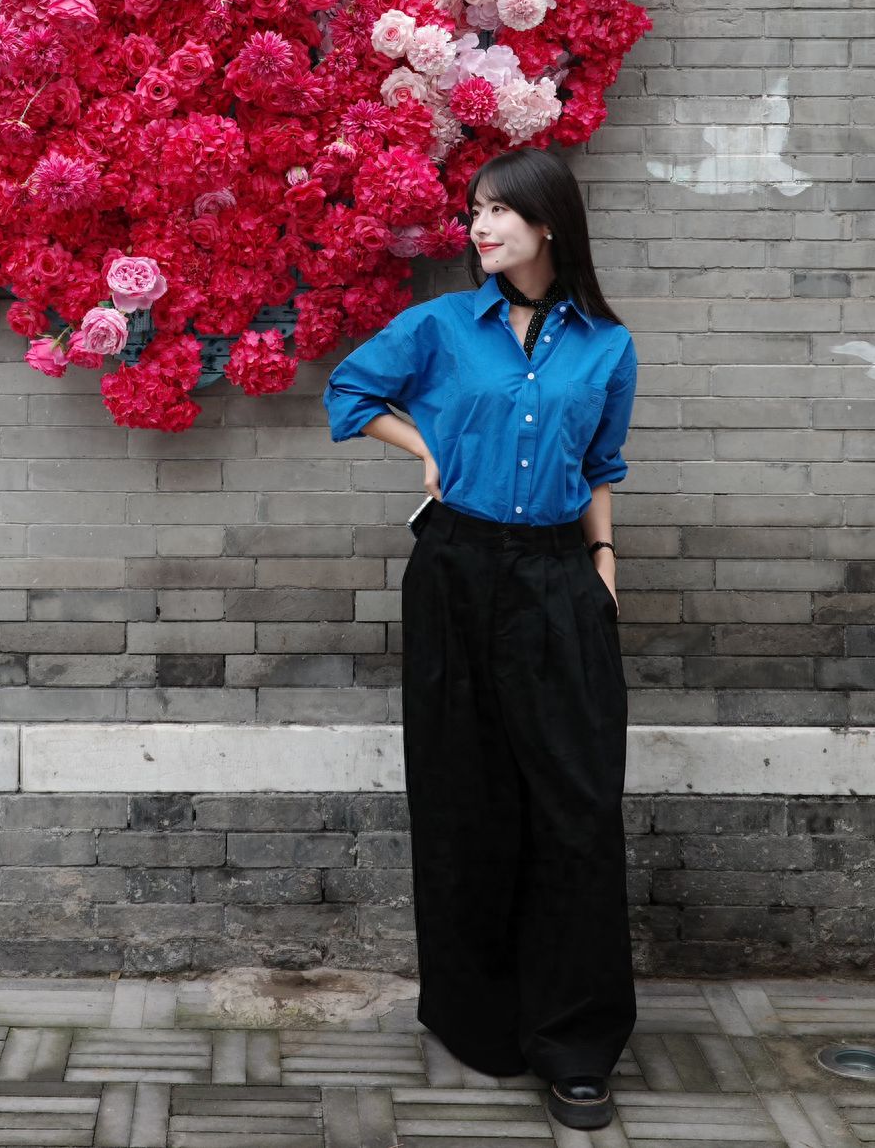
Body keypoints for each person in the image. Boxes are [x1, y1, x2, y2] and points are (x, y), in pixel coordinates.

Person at [322, 146, 637, 1135]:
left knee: (575, 807)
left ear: (548, 225)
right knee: (467, 794)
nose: (478, 227)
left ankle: (575, 1043)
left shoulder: (606, 346)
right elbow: (347, 394)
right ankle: (481, 1019)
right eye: (472, 210)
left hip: (556, 577)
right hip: (455, 571)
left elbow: (600, 462)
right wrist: (425, 449)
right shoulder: (440, 328)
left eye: (499, 211)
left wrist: (602, 562)